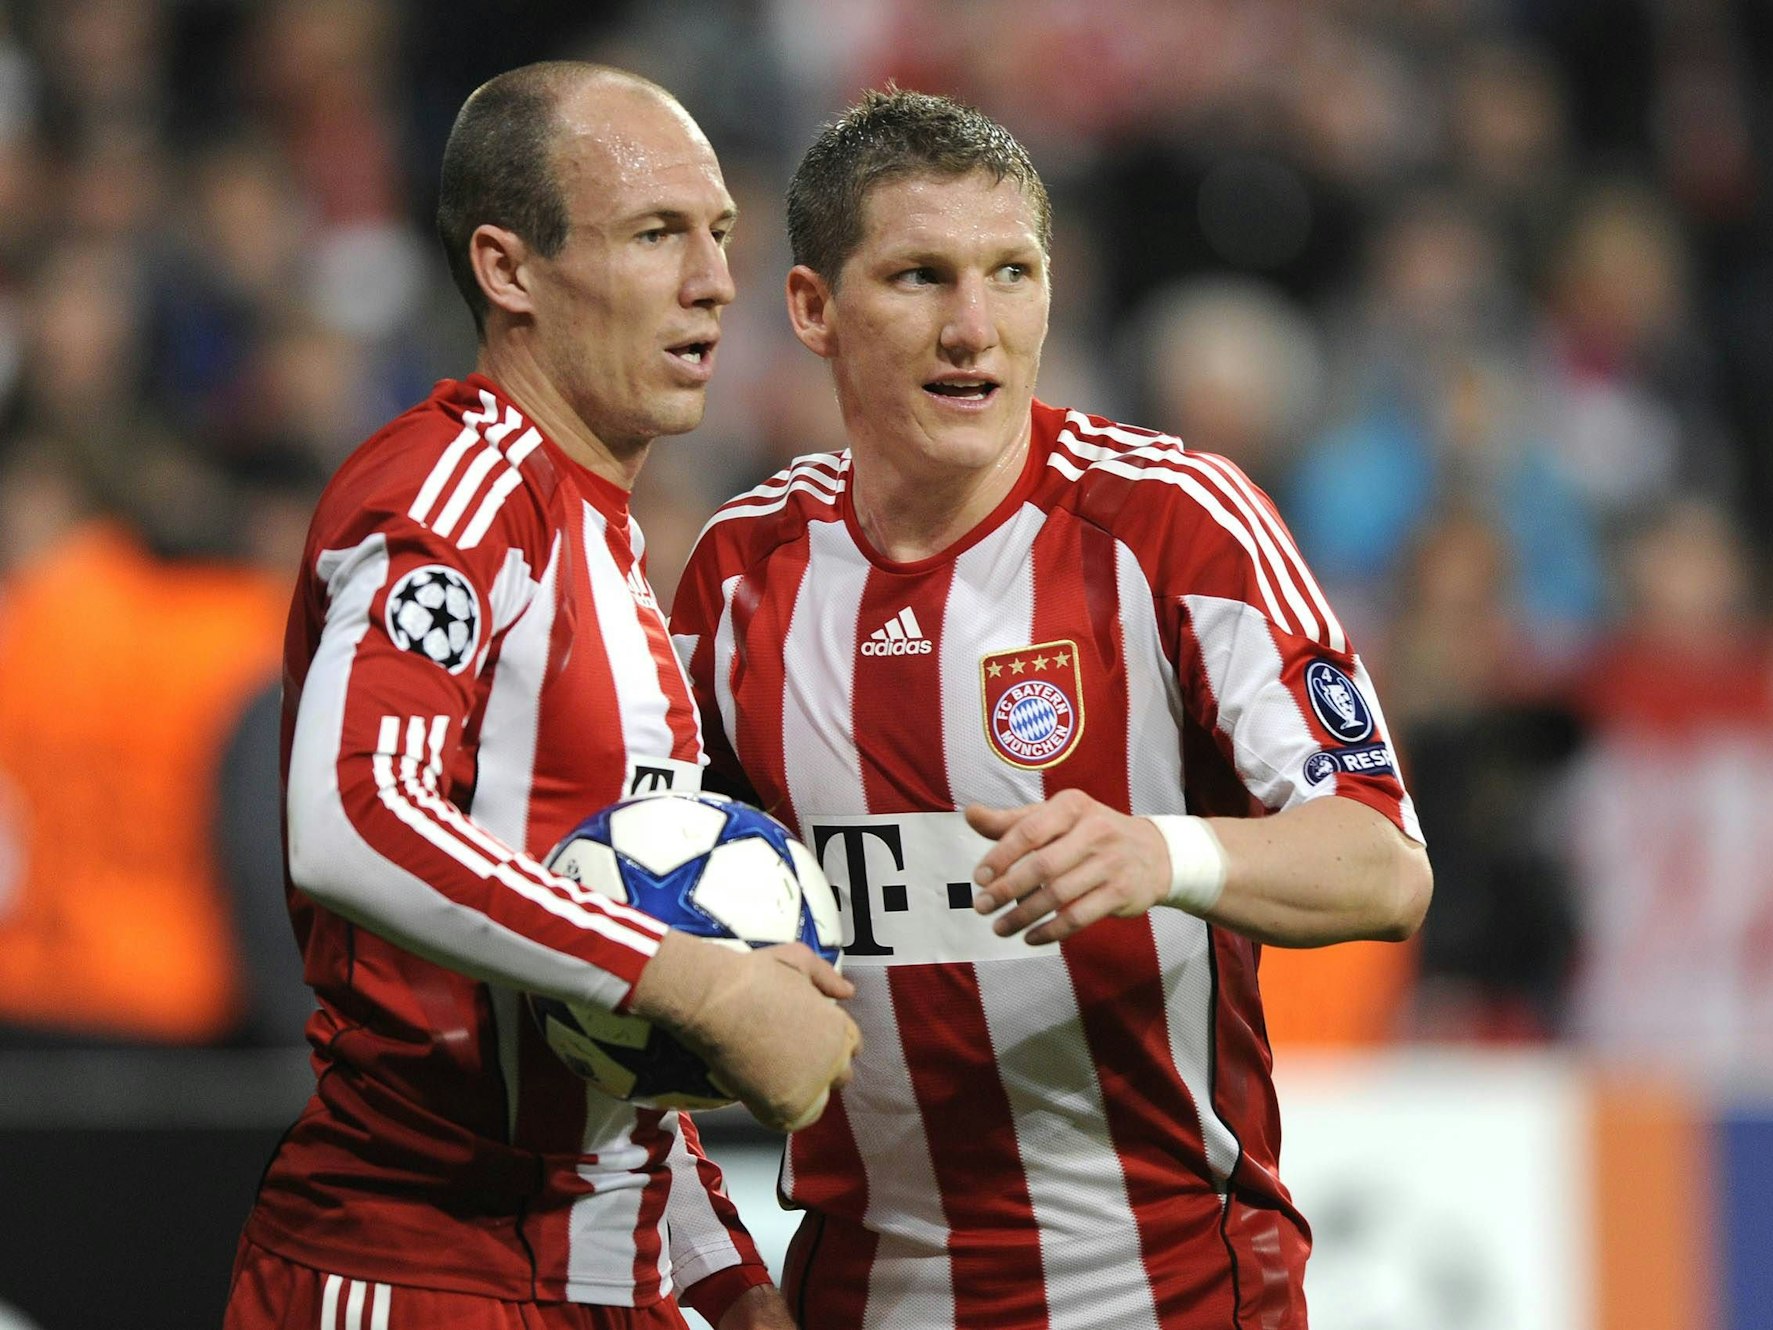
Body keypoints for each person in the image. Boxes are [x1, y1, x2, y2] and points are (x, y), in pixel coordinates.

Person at [671, 89, 1432, 1328]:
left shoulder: (1176, 522)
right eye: (920, 276)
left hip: (1172, 1290)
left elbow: (1386, 866)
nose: (975, 327)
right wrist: (722, 1271)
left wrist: (1164, 850)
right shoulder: (742, 574)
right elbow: (650, 919)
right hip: (864, 1295)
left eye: (1010, 272)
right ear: (813, 308)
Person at [224, 63, 859, 1330]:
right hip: (412, 1263)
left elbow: (597, 1031)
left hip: (597, 1268)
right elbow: (352, 813)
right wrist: (702, 983)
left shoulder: (602, 544)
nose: (714, 281)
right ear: (509, 271)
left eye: (721, 234)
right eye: (654, 235)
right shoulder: (453, 493)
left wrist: (727, 1282)